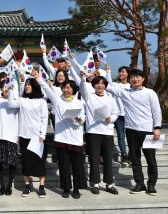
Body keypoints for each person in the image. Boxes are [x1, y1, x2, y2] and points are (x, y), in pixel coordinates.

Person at [106, 69, 162, 196]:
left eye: (138, 77)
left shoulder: (150, 93)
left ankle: (151, 185)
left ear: (143, 79)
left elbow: (156, 111)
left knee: (151, 159)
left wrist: (157, 128)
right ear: (129, 79)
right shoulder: (125, 92)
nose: (135, 79)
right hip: (131, 130)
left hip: (148, 131)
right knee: (135, 159)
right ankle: (140, 184)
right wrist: (94, 76)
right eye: (132, 77)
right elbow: (108, 87)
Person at [34, 70, 87, 199]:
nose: (66, 90)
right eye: (64, 87)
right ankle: (66, 188)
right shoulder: (58, 101)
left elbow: (83, 117)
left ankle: (76, 189)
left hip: (75, 139)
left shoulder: (79, 102)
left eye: (68, 88)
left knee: (77, 166)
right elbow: (47, 89)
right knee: (63, 166)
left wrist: (79, 119)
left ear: (73, 90)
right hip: (62, 138)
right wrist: (39, 78)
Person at [8, 78, 49, 198]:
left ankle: (41, 187)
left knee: (39, 162)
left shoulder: (42, 102)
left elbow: (44, 118)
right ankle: (27, 186)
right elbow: (11, 104)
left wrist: (43, 134)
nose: (27, 87)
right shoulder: (22, 100)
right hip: (24, 136)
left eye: (29, 85)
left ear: (35, 86)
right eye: (26, 85)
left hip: (37, 137)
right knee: (26, 163)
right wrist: (11, 92)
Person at [80, 74, 119, 195]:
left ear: (105, 86)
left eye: (102, 83)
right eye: (97, 83)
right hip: (93, 132)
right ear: (93, 85)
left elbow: (116, 112)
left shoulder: (110, 98)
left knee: (108, 159)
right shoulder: (89, 97)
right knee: (94, 158)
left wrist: (111, 118)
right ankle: (95, 183)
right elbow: (82, 87)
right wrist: (82, 78)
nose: (100, 85)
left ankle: (109, 184)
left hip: (107, 132)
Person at [0, 79, 19, 196]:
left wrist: (17, 136)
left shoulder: (16, 102)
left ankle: (9, 185)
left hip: (11, 136)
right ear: (2, 89)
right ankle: (2, 185)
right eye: (5, 88)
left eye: (9, 87)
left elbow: (19, 120)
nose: (7, 90)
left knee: (12, 163)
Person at [106, 66, 131, 166]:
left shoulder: (131, 86)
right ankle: (124, 155)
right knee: (121, 136)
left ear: (128, 74)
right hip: (118, 115)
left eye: (123, 72)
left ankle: (131, 155)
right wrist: (108, 71)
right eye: (120, 72)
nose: (121, 73)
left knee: (130, 137)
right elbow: (108, 84)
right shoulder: (115, 85)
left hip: (130, 115)